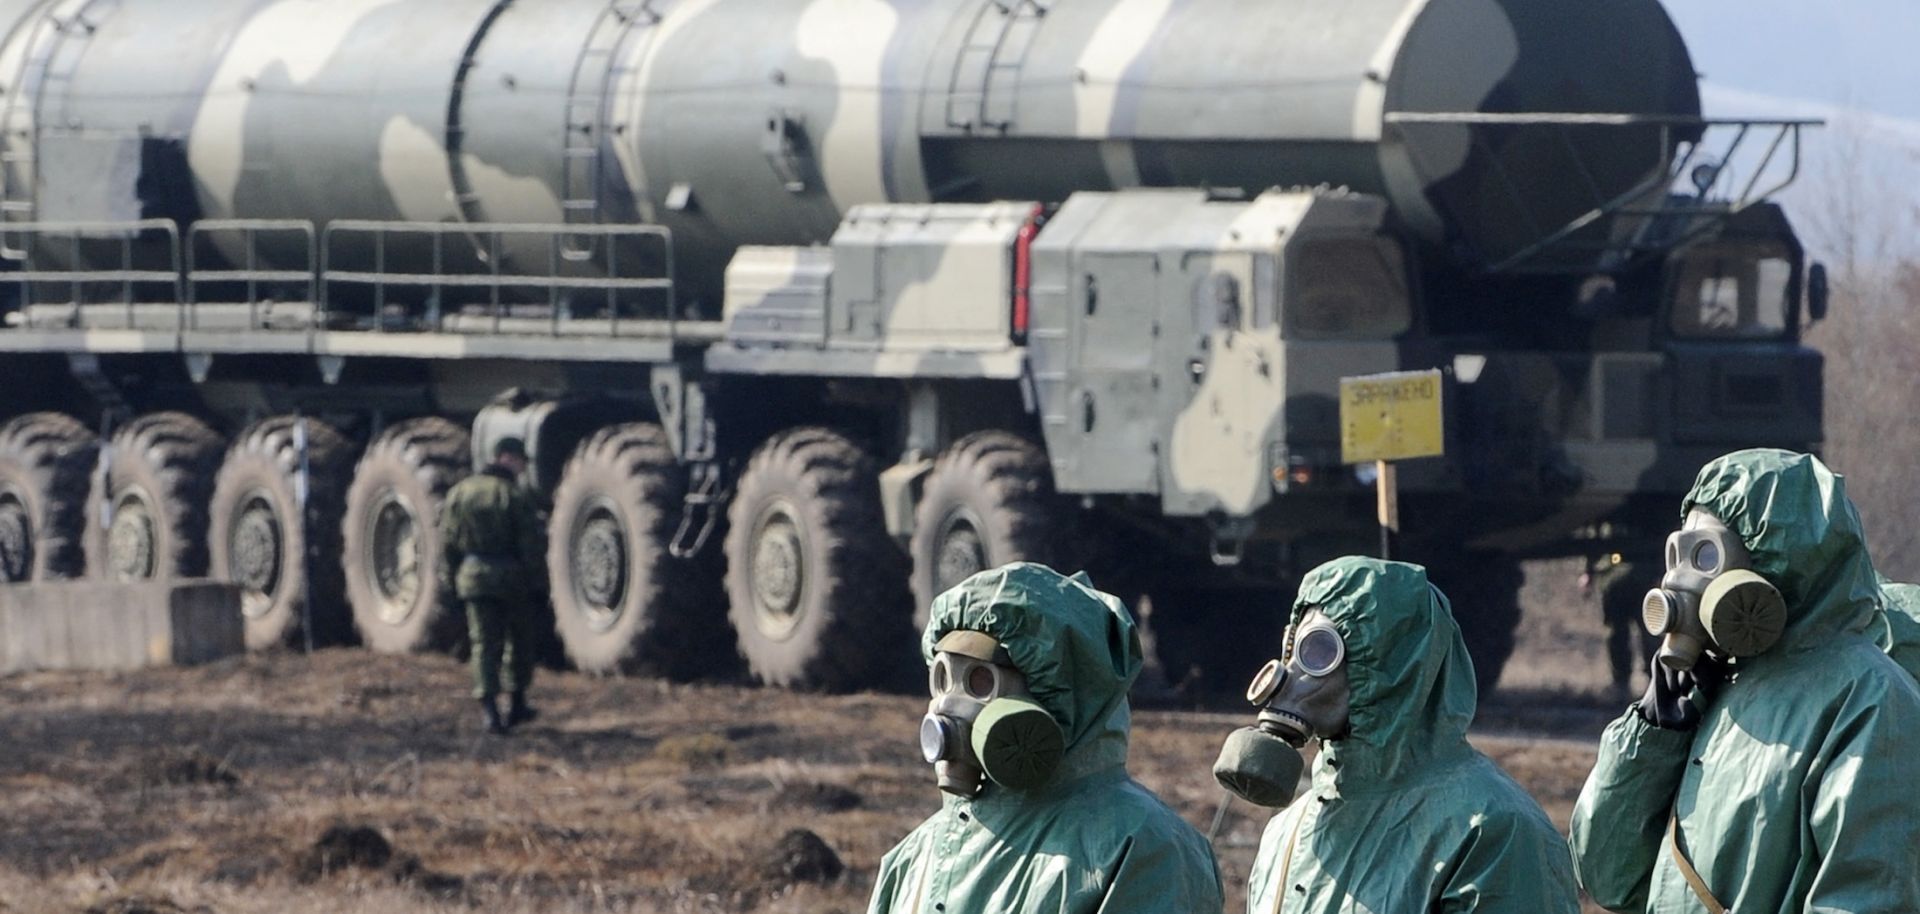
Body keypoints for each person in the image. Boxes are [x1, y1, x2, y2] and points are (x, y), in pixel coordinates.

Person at [1570, 449, 1920, 913]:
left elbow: (1865, 898)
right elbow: (1608, 876)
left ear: (1781, 560)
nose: (1679, 580)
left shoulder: (1868, 698)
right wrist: (1651, 739)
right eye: (1677, 554)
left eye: (1706, 555)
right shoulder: (1714, 689)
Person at [1215, 556, 1578, 914]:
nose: (1293, 673)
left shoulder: (1492, 829)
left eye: (1322, 651)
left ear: (1395, 667)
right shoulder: (1287, 834)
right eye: (1295, 648)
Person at [867, 562, 1224, 914]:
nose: (947, 706)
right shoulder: (914, 859)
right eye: (942, 679)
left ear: (1063, 693)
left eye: (980, 682)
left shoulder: (1143, 846)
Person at [438, 436, 546, 735]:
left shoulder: (459, 493)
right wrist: (538, 583)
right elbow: (530, 546)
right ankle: (516, 704)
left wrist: (450, 582)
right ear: (507, 458)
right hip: (512, 579)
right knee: (518, 641)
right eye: (521, 461)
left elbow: (448, 544)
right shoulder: (513, 495)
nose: (522, 468)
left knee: (483, 643)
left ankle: (490, 712)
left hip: (473, 578)